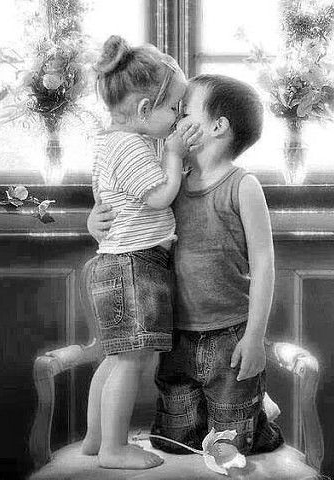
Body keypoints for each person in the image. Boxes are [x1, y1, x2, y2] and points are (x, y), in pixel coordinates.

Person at [87, 73, 284, 459]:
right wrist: (94, 219)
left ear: (218, 126)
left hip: (229, 334)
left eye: (185, 112)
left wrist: (254, 337)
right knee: (174, 441)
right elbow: (124, 209)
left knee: (234, 445)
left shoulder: (243, 186)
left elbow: (264, 265)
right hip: (177, 337)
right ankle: (249, 406)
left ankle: (257, 410)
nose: (176, 120)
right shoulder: (170, 183)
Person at [80, 35, 201, 470]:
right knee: (132, 361)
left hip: (119, 263)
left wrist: (170, 151)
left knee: (117, 357)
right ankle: (114, 448)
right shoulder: (131, 146)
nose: (179, 117)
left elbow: (108, 197)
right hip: (135, 265)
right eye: (175, 107)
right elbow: (160, 195)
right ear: (146, 109)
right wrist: (175, 154)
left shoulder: (113, 141)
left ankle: (96, 438)